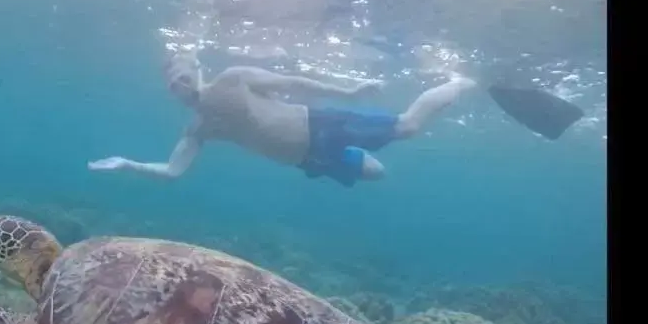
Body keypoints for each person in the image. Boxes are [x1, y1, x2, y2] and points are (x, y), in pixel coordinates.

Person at [86, 52, 480, 187]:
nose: (180, 84)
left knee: (407, 127)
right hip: (308, 159)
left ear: (198, 70)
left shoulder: (233, 79)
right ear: (170, 90)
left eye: (184, 74)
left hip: (319, 125)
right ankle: (456, 84)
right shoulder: (198, 128)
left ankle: (461, 81)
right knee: (378, 174)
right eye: (173, 82)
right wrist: (128, 164)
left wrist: (348, 92)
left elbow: (291, 81)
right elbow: (173, 172)